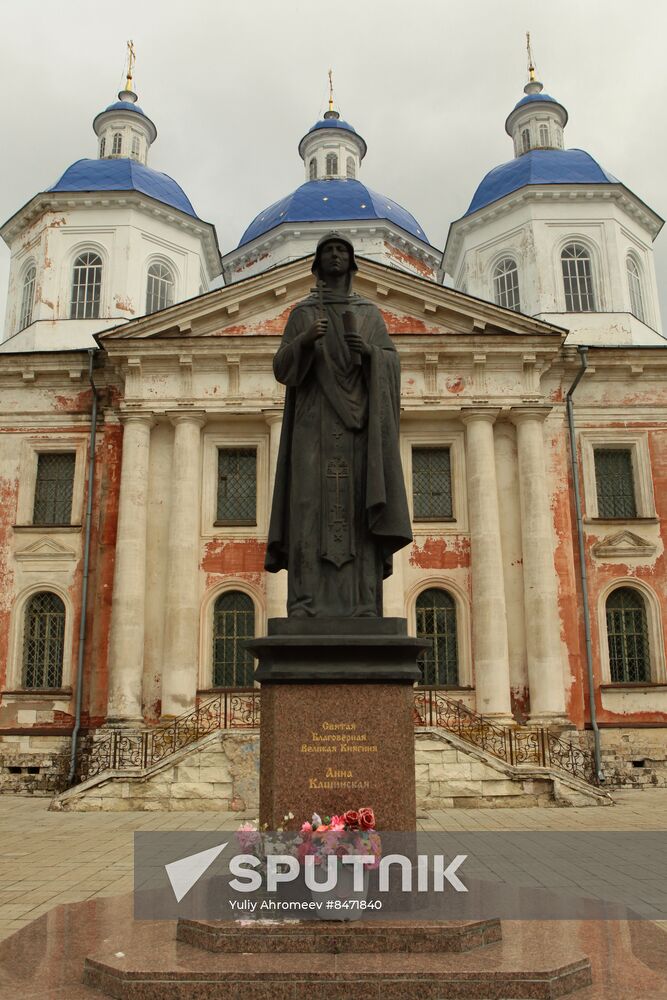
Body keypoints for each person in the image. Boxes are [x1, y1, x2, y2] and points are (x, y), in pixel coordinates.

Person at [265, 232, 412, 618]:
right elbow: (282, 369)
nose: (335, 256)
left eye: (341, 251)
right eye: (328, 250)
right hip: (312, 425)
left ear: (351, 262)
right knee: (307, 506)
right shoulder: (303, 314)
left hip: (358, 430)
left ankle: (364, 604)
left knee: (359, 507)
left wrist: (369, 354)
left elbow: (391, 363)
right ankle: (303, 603)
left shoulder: (368, 314)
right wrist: (302, 343)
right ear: (316, 262)